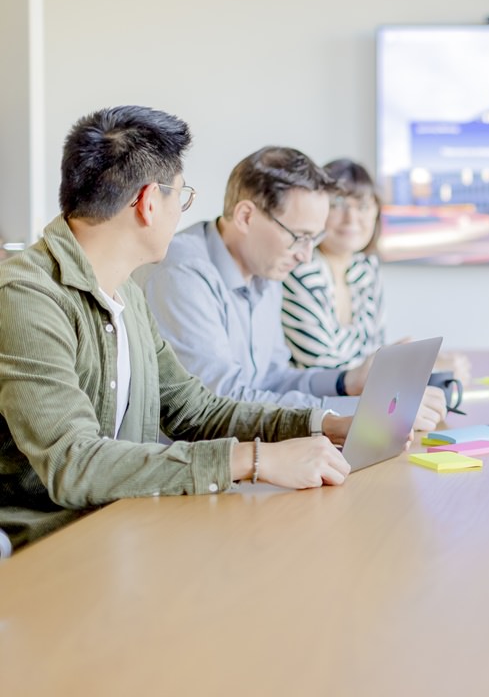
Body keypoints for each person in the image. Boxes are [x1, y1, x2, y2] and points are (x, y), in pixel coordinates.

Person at [0, 106, 357, 550]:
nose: (182, 212)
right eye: (180, 196)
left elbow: (194, 410)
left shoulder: (124, 292)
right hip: (56, 549)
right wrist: (255, 459)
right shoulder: (27, 296)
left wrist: (322, 424)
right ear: (150, 202)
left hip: (128, 524)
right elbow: (76, 464)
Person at [138, 147, 447, 422]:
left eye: (314, 238)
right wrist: (362, 411)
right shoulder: (183, 273)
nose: (305, 255)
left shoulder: (266, 268)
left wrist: (347, 382)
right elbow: (219, 402)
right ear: (246, 216)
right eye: (298, 236)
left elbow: (272, 379)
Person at [281, 159, 385, 369]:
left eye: (363, 206)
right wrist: (395, 367)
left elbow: (376, 352)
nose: (351, 218)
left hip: (360, 397)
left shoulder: (367, 268)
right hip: (311, 399)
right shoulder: (300, 269)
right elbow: (322, 366)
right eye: (337, 204)